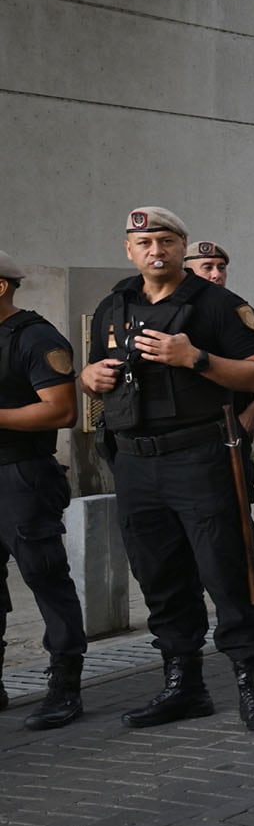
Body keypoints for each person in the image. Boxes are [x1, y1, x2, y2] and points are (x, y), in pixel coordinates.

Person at [77, 208, 254, 731]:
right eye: (144, 243)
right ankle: (184, 686)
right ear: (129, 250)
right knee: (159, 576)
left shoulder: (218, 305)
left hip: (200, 458)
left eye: (165, 241)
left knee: (226, 571)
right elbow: (95, 368)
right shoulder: (113, 306)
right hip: (135, 462)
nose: (156, 251)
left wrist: (196, 359)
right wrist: (89, 378)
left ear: (181, 246)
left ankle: (251, 684)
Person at [0, 250, 88, 729]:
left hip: (21, 477)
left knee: (46, 578)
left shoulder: (35, 337)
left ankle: (65, 685)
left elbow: (61, 410)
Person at [186, 240, 254, 501]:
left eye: (221, 267)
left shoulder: (237, 310)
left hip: (229, 424)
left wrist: (251, 413)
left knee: (235, 502)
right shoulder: (171, 311)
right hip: (184, 428)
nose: (216, 274)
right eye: (207, 267)